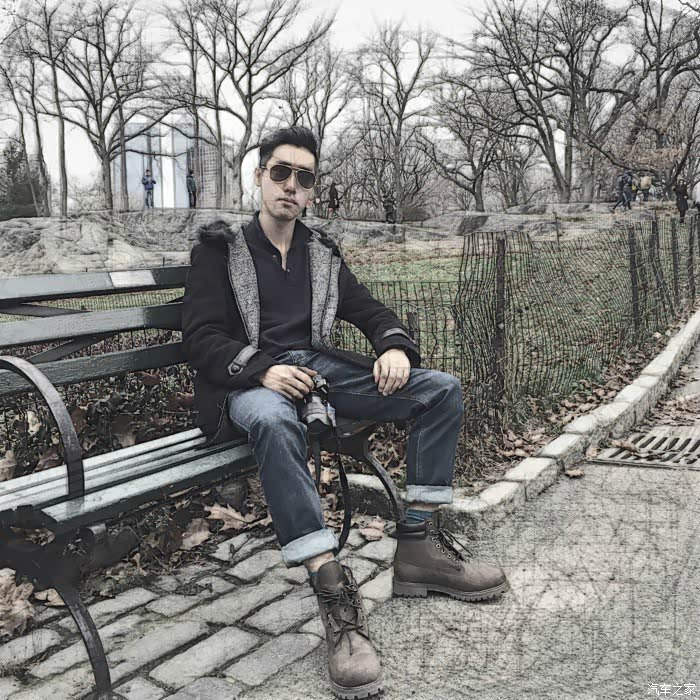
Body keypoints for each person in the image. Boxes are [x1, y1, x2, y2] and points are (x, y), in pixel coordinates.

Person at [181, 125, 508, 700]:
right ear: (259, 176)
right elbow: (201, 337)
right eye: (281, 172)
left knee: (440, 390)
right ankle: (333, 591)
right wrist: (261, 369)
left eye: (304, 178)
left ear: (312, 190)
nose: (291, 186)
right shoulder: (220, 249)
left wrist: (394, 346)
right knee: (275, 420)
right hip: (249, 383)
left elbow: (368, 308)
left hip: (319, 372)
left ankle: (418, 548)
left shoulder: (320, 253)